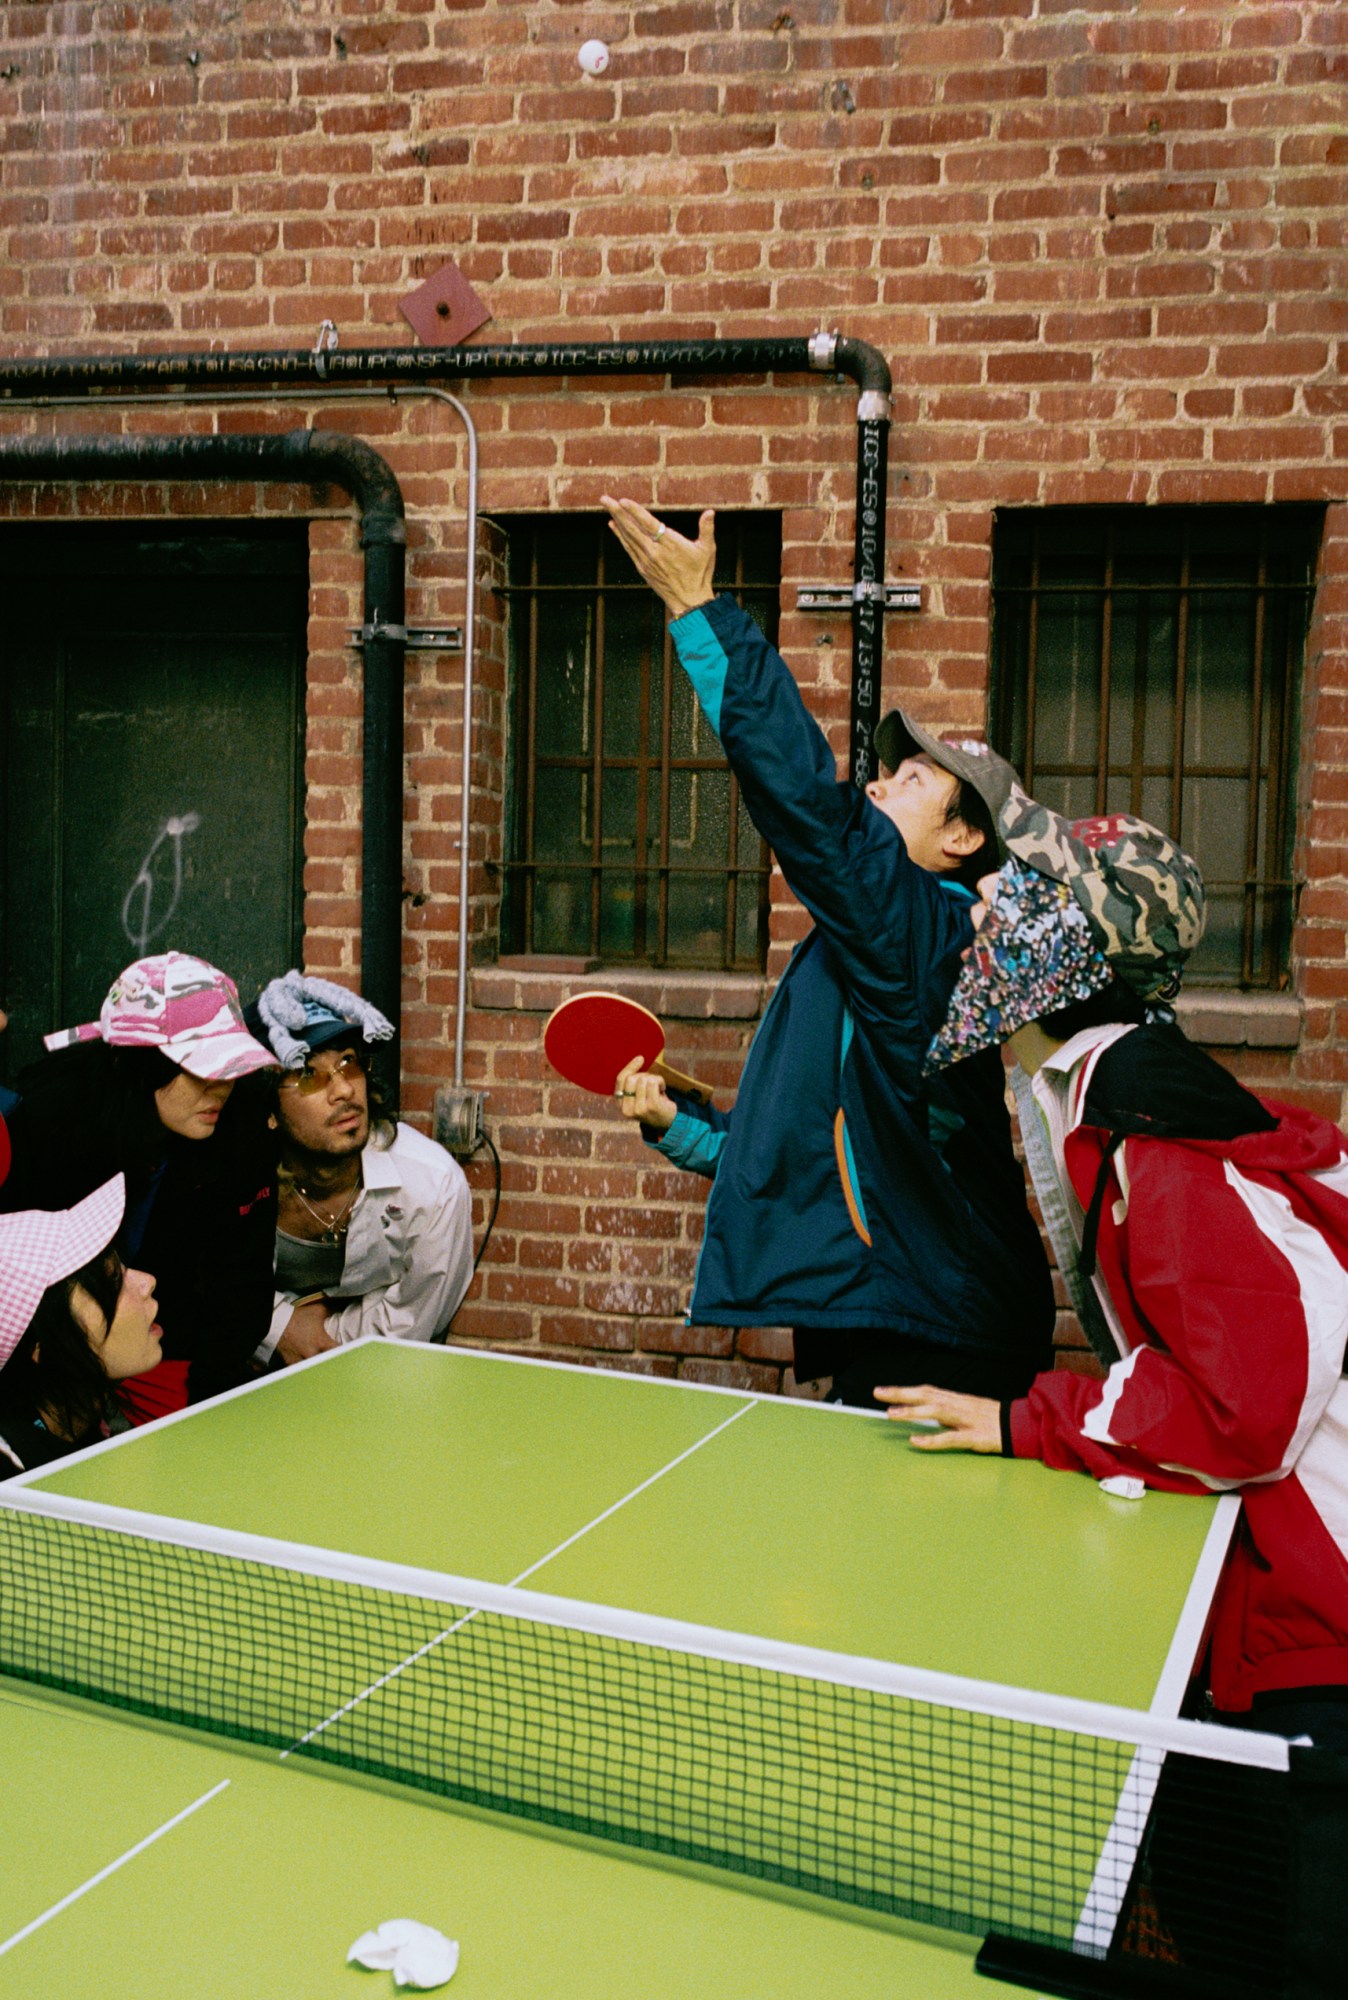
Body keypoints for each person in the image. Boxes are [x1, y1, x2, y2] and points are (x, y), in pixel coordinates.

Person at [875, 803, 1348, 1996]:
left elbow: (1242, 1409)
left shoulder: (1159, 1145)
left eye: (1017, 899)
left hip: (1313, 1633)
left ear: (1067, 959)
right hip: (1259, 1601)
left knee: (1281, 1949)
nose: (986, 909)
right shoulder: (1105, 1089)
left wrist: (1033, 1420)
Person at [600, 496, 1053, 1407]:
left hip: (943, 1326)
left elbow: (809, 804)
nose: (880, 783)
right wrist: (677, 1129)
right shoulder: (874, 943)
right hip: (911, 1315)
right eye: (884, 771)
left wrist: (702, 617)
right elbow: (820, 1147)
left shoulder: (928, 933)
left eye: (912, 780)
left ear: (965, 841)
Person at [0, 952, 279, 1417]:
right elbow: (16, 1278)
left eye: (231, 1067)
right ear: (144, 1064)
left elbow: (243, 1280)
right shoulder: (52, 1115)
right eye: (204, 1069)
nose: (223, 1087)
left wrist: (208, 1399)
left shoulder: (246, 1116)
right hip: (54, 1356)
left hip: (170, 1346)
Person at [249, 973, 474, 1367]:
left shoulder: (434, 1187)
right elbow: (201, 1285)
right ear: (268, 1109)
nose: (344, 1090)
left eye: (348, 1063)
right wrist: (276, 1325)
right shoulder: (232, 1179)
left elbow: (408, 1327)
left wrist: (306, 1335)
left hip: (385, 1377)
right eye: (308, 1075)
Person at [0, 1173, 165, 1477]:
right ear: (44, 1347)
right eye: (112, 1284)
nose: (147, 1283)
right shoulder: (15, 1480)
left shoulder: (93, 1419)